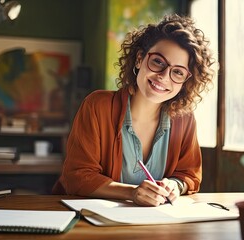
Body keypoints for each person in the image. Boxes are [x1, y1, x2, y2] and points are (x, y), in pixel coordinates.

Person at [52, 14, 215, 206]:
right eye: (158, 62)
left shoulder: (184, 119)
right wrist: (132, 192)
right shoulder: (98, 106)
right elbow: (77, 177)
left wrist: (175, 185)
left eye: (178, 72)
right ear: (139, 59)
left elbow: (189, 175)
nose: (163, 76)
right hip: (89, 223)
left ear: (185, 82)